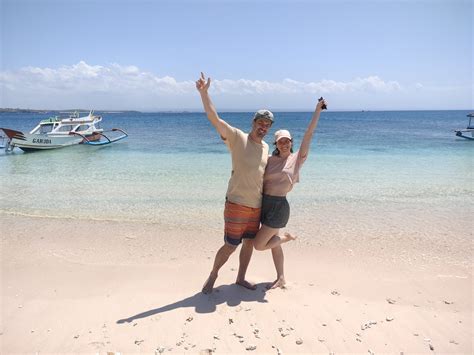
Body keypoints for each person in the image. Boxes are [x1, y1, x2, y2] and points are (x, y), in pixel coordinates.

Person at [196, 72, 274, 294]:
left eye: (267, 124)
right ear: (253, 122)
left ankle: (240, 278)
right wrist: (204, 93)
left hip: (256, 206)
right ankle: (213, 275)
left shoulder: (267, 147)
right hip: (237, 203)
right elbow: (214, 118)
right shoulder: (238, 137)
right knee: (231, 245)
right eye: (261, 122)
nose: (264, 127)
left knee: (249, 243)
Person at [253, 98, 327, 289]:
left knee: (259, 245)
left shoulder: (297, 159)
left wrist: (317, 110)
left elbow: (309, 134)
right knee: (273, 244)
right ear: (276, 144)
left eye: (287, 141)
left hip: (279, 207)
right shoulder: (269, 160)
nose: (284, 144)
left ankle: (287, 237)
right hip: (264, 204)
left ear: (291, 142)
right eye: (280, 142)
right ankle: (281, 277)